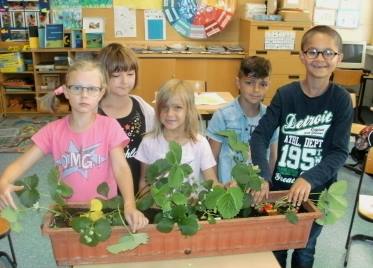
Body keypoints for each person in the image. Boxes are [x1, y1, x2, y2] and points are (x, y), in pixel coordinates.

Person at [0, 59, 148, 232]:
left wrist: (129, 205)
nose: (84, 95)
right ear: (66, 92)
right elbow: (20, 163)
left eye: (92, 89)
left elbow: (121, 168)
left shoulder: (110, 127)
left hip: (105, 210)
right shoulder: (52, 131)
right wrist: (4, 181)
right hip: (69, 213)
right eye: (77, 88)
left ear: (101, 93)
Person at [249, 25, 353, 268]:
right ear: (302, 56)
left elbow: (339, 151)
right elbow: (260, 136)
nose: (320, 58)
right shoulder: (286, 95)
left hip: (317, 192)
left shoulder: (340, 100)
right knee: (276, 250)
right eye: (313, 51)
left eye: (329, 53)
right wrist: (263, 176)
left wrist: (309, 178)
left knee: (304, 250)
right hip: (281, 189)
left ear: (339, 58)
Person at [206, 56, 278, 185]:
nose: (256, 90)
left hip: (257, 192)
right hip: (228, 191)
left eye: (263, 84)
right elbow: (211, 159)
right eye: (249, 83)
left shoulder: (270, 117)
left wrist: (267, 183)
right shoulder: (222, 116)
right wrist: (217, 187)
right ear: (238, 82)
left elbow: (273, 157)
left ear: (269, 85)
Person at [135, 79, 219, 189]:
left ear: (189, 111)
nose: (169, 113)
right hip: (156, 205)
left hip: (191, 205)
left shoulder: (200, 143)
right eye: (164, 107)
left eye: (177, 107)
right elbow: (144, 183)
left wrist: (227, 188)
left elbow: (213, 184)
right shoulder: (148, 142)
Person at [97, 43, 154, 195]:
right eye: (116, 75)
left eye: (130, 74)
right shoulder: (94, 113)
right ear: (102, 76)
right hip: (103, 194)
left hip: (139, 190)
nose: (125, 81)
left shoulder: (144, 110)